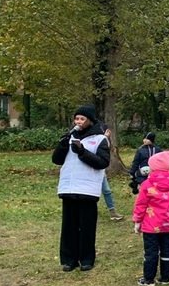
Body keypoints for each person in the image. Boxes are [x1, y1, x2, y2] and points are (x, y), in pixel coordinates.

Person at [52, 104, 110, 272]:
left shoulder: (100, 139)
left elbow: (102, 162)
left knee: (86, 227)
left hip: (87, 189)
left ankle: (86, 259)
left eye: (82, 119)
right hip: (69, 187)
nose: (78, 122)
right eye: (76, 118)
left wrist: (82, 152)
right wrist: (62, 146)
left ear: (90, 121)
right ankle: (69, 260)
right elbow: (57, 160)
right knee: (68, 226)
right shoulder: (70, 137)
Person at [133, 151, 169, 286]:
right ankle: (165, 277)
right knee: (168, 250)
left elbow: (141, 204)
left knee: (151, 252)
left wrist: (137, 220)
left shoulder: (147, 185)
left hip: (150, 225)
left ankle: (149, 279)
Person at [98, 125, 124, 221]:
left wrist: (107, 138)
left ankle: (113, 212)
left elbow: (107, 150)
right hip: (92, 172)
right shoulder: (95, 140)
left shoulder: (105, 140)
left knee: (107, 191)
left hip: (101, 171)